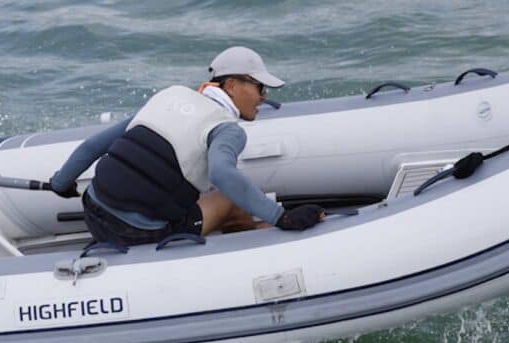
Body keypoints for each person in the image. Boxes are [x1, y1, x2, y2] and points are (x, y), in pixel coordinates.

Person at [48, 46, 325, 246]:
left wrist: (61, 183)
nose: (263, 97)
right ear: (231, 86)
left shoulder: (169, 97)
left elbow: (93, 145)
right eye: (260, 87)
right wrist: (282, 217)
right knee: (228, 197)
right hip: (139, 233)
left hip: (93, 211)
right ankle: (248, 249)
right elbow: (222, 174)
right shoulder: (226, 129)